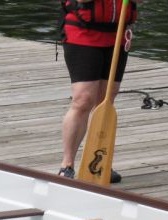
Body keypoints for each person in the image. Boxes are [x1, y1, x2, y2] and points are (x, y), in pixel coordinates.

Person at [58, 0, 139, 183]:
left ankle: (98, 161)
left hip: (117, 35)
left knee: (106, 99)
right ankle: (67, 164)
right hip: (83, 33)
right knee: (83, 100)